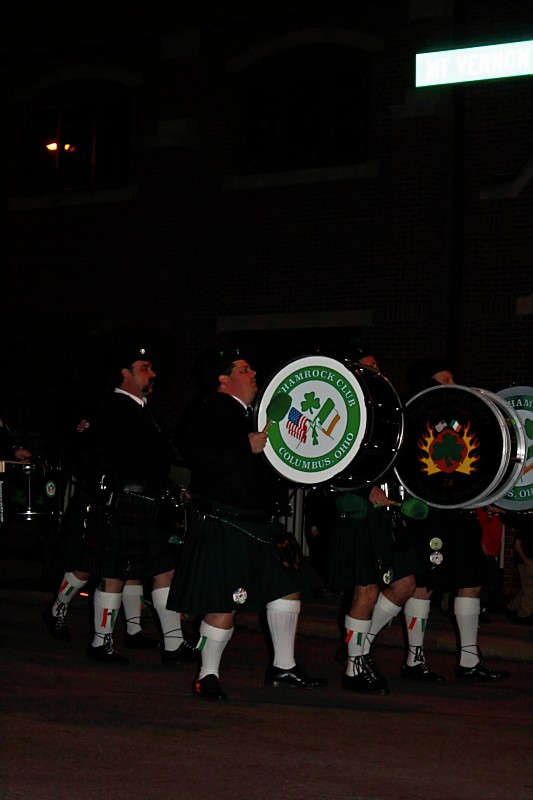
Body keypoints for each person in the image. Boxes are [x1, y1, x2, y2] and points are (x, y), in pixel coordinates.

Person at [167, 346, 327, 700]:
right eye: (244, 369)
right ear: (223, 379)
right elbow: (196, 456)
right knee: (224, 603)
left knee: (287, 587)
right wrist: (244, 446)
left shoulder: (252, 415)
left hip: (259, 522)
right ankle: (207, 675)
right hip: (227, 521)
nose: (253, 373)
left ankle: (283, 667)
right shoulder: (211, 409)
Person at [44, 345, 194, 666]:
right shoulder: (108, 407)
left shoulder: (147, 410)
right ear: (126, 373)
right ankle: (91, 634)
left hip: (146, 503)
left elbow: (155, 459)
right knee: (104, 571)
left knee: (160, 570)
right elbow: (93, 453)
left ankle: (171, 643)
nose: (152, 373)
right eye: (145, 367)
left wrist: (170, 486)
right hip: (115, 502)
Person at [327, 345, 436, 695]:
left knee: (405, 583)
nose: (377, 370)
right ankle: (354, 667)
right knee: (366, 589)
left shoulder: (388, 410)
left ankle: (357, 646)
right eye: (368, 367)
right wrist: (364, 491)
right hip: (360, 512)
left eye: (377, 364)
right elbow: (326, 463)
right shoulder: (340, 411)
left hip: (390, 512)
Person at [399, 357, 510, 682]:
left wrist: (491, 496)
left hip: (461, 511)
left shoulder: (466, 418)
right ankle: (414, 662)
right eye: (446, 379)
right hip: (430, 514)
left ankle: (469, 662)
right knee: (424, 585)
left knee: (472, 579)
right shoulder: (416, 417)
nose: (454, 385)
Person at [43, 418, 160, 652]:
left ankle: (134, 629)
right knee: (87, 566)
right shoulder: (103, 412)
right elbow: (80, 449)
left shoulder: (143, 414)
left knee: (131, 567)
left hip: (130, 499)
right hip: (97, 498)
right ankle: (58, 608)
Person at [505, 511, 533, 624]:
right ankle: (523, 614)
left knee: (527, 587)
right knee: (530, 588)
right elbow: (517, 544)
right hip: (525, 560)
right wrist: (526, 560)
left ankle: (511, 607)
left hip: (528, 559)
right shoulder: (528, 523)